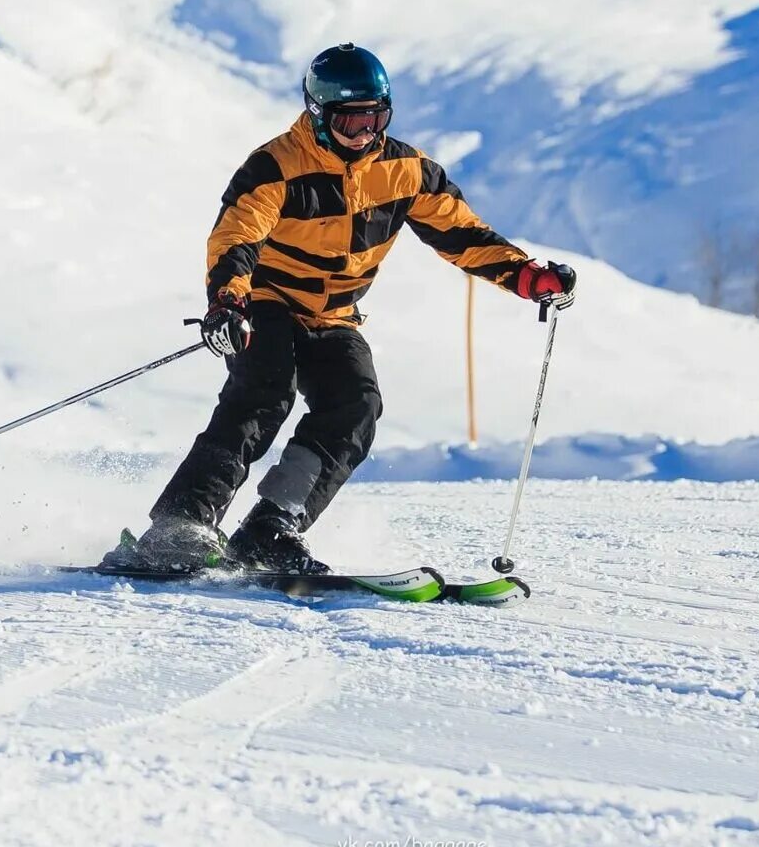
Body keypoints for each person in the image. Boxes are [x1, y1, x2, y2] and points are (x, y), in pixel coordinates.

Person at [103, 43, 576, 574]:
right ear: (318, 114)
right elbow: (237, 235)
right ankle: (180, 524)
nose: (363, 133)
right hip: (265, 302)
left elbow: (462, 233)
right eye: (349, 121)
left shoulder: (407, 171)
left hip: (334, 315)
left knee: (356, 406)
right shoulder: (276, 165)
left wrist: (526, 276)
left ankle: (269, 528)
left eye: (374, 118)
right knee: (264, 394)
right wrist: (228, 299)